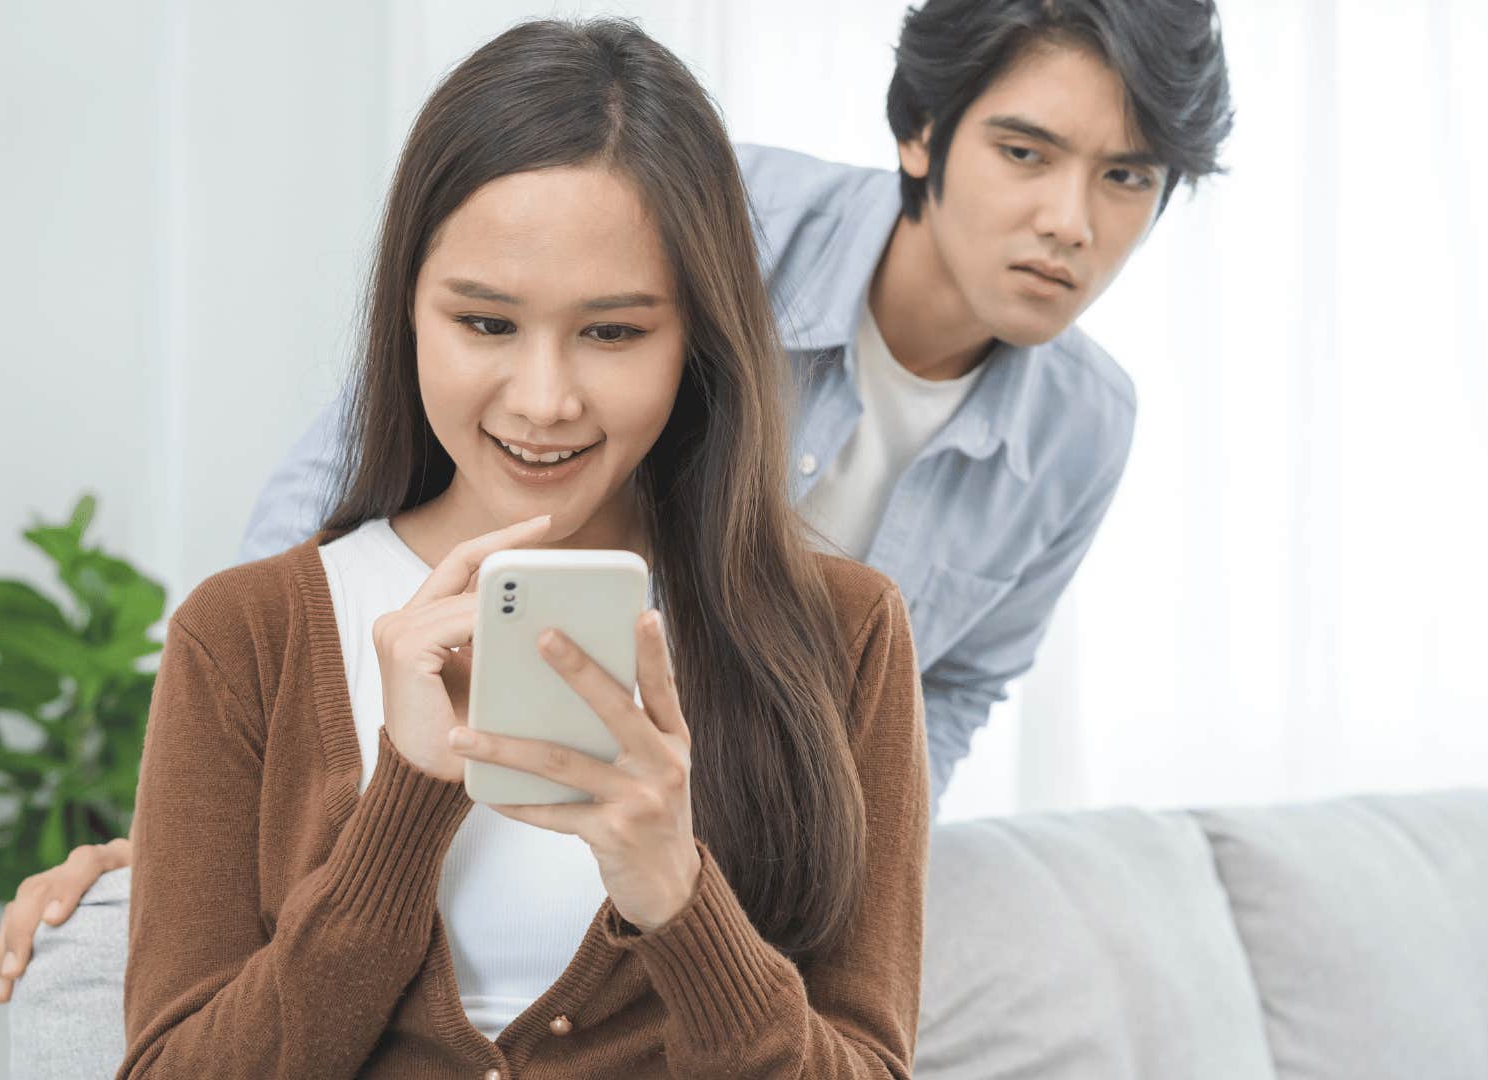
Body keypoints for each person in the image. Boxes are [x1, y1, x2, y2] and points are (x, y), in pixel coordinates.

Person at [0, 0, 1233, 1008]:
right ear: (925, 136)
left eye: (1127, 176)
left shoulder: (1087, 429)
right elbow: (348, 493)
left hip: (755, 783)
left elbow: (948, 694)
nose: (1068, 222)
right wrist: (229, 809)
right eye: (1026, 152)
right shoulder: (691, 208)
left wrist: (854, 847)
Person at [107, 18, 927, 1077]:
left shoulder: (845, 634)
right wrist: (405, 799)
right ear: (408, 311)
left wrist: (677, 893)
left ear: (699, 339)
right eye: (486, 325)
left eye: (614, 332)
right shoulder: (245, 634)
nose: (544, 402)